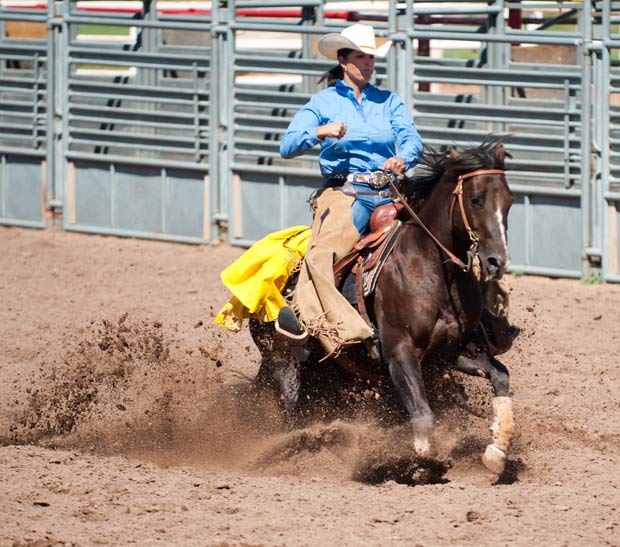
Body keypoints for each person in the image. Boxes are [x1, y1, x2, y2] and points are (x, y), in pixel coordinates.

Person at [277, 23, 424, 357]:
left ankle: (479, 321)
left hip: (391, 189)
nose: (369, 63)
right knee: (324, 251)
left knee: (443, 231)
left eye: (371, 57)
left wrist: (403, 157)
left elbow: (411, 137)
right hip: (346, 192)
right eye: (361, 56)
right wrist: (320, 131)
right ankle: (315, 321)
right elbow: (286, 146)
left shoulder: (389, 101)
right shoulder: (324, 102)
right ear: (344, 60)